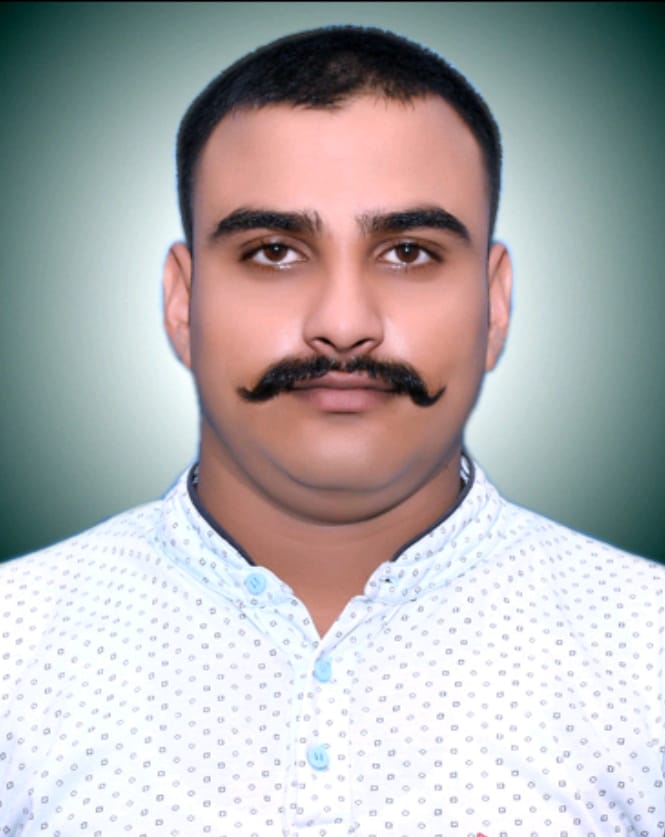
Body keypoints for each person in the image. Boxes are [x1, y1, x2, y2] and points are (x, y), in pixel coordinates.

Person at [1, 24, 663, 836]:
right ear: (182, 302)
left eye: (409, 252)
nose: (344, 324)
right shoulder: (13, 646)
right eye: (273, 252)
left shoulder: (648, 650)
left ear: (494, 305)